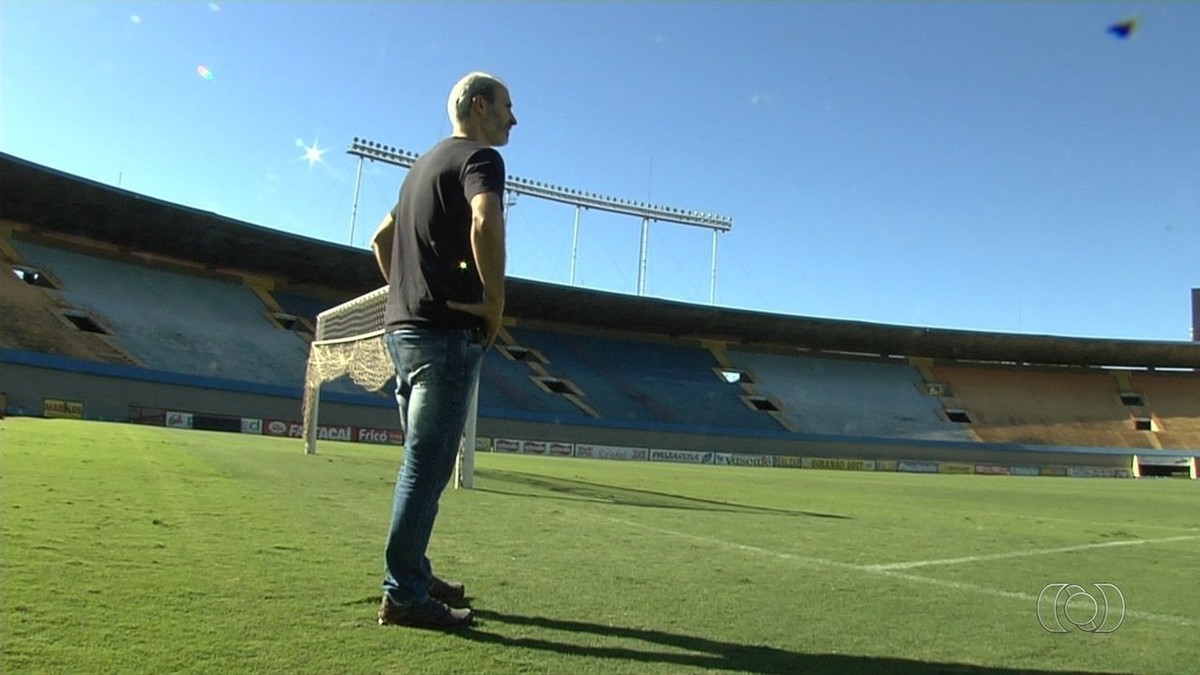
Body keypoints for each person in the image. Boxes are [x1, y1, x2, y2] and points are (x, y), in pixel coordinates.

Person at [369, 71, 516, 629]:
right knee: (425, 472)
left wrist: (408, 296)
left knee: (421, 466)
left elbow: (379, 241)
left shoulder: (420, 168)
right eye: (506, 106)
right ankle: (403, 595)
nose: (513, 118)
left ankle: (414, 571)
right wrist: (495, 301)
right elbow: (485, 219)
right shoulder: (481, 160)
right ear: (479, 107)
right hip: (444, 338)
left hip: (401, 334)